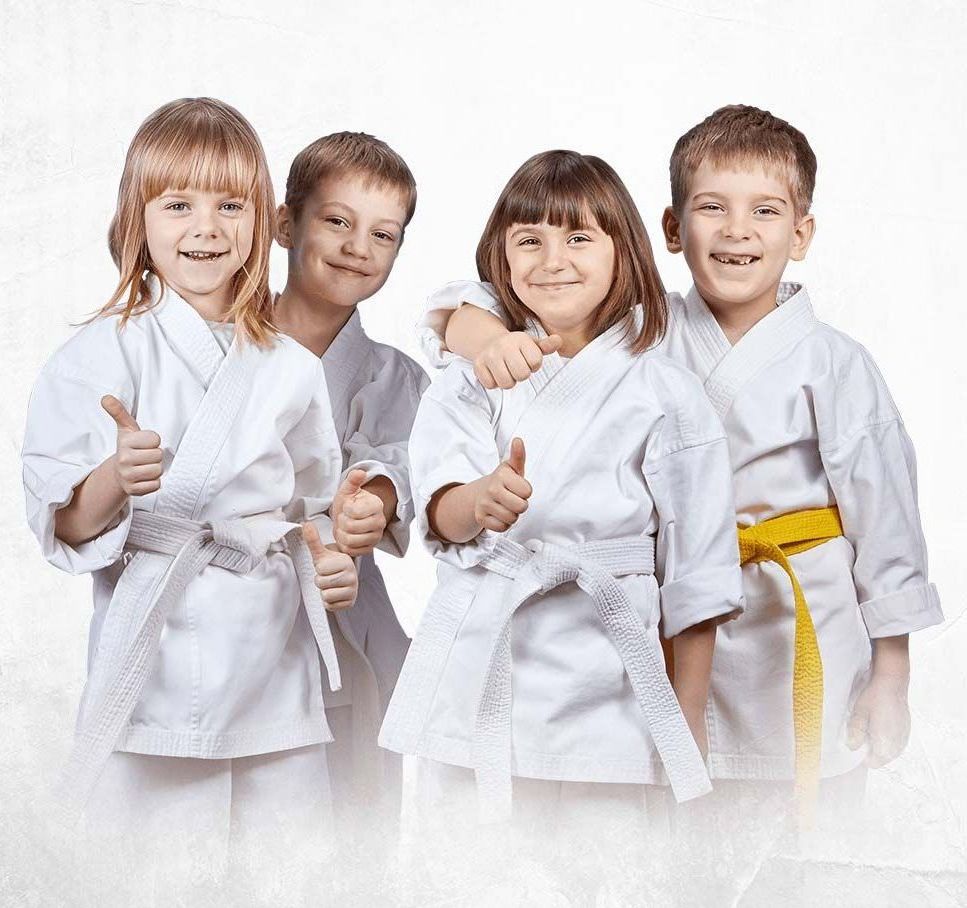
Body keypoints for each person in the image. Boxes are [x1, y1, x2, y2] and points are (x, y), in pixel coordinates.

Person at [419, 106, 943, 828]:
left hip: (795, 619)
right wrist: (474, 331)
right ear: (670, 230)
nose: (736, 231)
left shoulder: (836, 363)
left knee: (801, 825)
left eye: (764, 210)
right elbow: (495, 292)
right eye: (710, 209)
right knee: (670, 839)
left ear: (801, 233)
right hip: (660, 630)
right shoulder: (636, 330)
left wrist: (892, 672)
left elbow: (886, 525)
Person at [379, 149, 743, 899]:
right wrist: (478, 500)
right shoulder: (467, 381)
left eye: (579, 238)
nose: (553, 260)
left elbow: (697, 575)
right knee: (466, 882)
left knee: (610, 881)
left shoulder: (665, 392)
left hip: (610, 696)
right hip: (479, 672)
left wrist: (688, 723)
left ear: (624, 252)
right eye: (529, 239)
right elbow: (441, 510)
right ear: (499, 258)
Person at [21, 99, 357, 868]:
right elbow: (65, 528)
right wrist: (115, 477)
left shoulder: (291, 368)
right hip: (155, 660)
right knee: (145, 875)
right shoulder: (103, 353)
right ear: (138, 218)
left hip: (272, 660)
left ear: (261, 220)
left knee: (291, 872)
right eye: (179, 204)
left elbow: (310, 509)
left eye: (229, 205)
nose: (206, 227)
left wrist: (329, 557)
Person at [273, 132, 429, 822]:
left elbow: (403, 466)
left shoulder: (396, 377)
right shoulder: (212, 345)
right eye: (336, 220)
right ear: (286, 223)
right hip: (221, 612)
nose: (357, 247)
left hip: (346, 618)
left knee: (348, 842)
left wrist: (375, 498)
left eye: (383, 234)